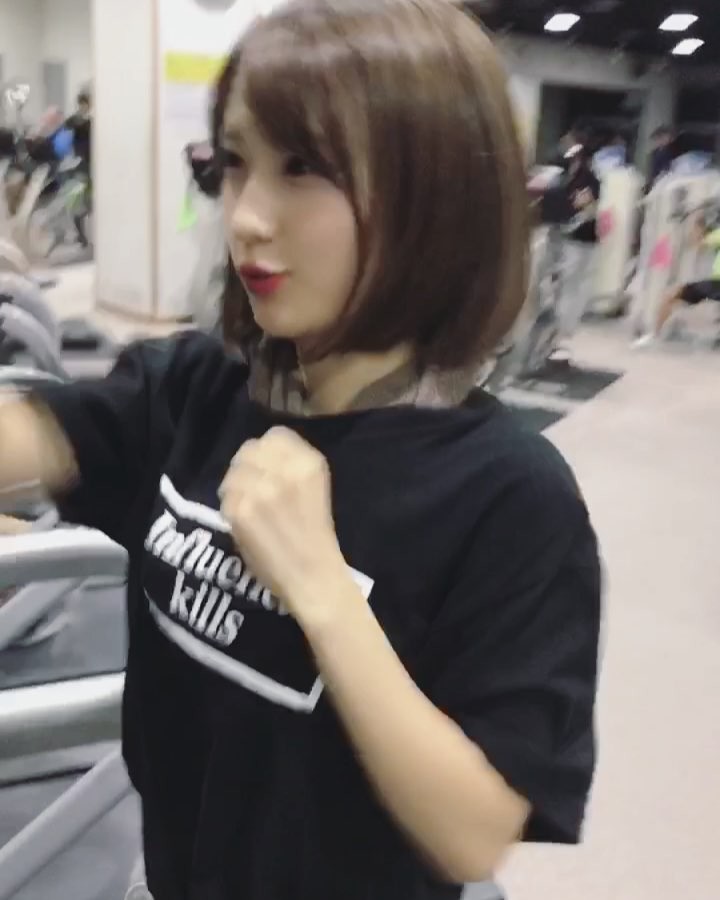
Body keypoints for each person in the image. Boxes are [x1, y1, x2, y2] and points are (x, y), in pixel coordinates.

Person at [0, 2, 601, 898]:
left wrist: (320, 589)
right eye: (236, 164)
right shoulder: (195, 389)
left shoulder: (510, 496)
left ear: (431, 193)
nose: (246, 217)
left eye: (305, 169)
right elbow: (31, 439)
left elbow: (474, 834)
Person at [634, 213, 720, 346]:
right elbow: (699, 246)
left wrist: (698, 226)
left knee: (672, 295)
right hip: (715, 284)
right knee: (672, 295)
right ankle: (654, 335)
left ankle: (653, 335)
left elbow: (698, 245)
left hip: (717, 283)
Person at [552, 144, 601, 363]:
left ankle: (564, 327)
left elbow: (584, 205)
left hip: (576, 239)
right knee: (575, 283)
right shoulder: (579, 179)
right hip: (582, 239)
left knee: (571, 284)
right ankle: (566, 326)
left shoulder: (584, 179)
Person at [646, 125, 675, 192]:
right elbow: (652, 169)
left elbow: (667, 169)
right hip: (655, 181)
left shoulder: (669, 151)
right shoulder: (654, 153)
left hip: (663, 181)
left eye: (668, 137)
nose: (667, 140)